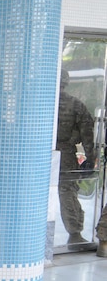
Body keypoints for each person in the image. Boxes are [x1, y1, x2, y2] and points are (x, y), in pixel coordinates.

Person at [56, 69, 95, 248]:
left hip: (38, 153)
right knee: (68, 193)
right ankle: (75, 233)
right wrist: (90, 157)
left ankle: (75, 233)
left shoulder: (43, 100)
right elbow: (87, 133)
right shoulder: (75, 104)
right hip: (65, 154)